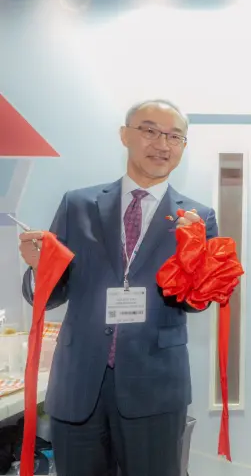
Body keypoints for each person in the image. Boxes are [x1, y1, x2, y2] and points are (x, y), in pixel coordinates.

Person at [18, 99, 217, 476]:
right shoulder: (78, 204)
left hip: (155, 386)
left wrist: (192, 260)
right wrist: (37, 269)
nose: (162, 144)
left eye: (175, 136)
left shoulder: (197, 218)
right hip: (79, 383)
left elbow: (195, 303)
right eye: (150, 131)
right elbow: (51, 294)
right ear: (125, 135)